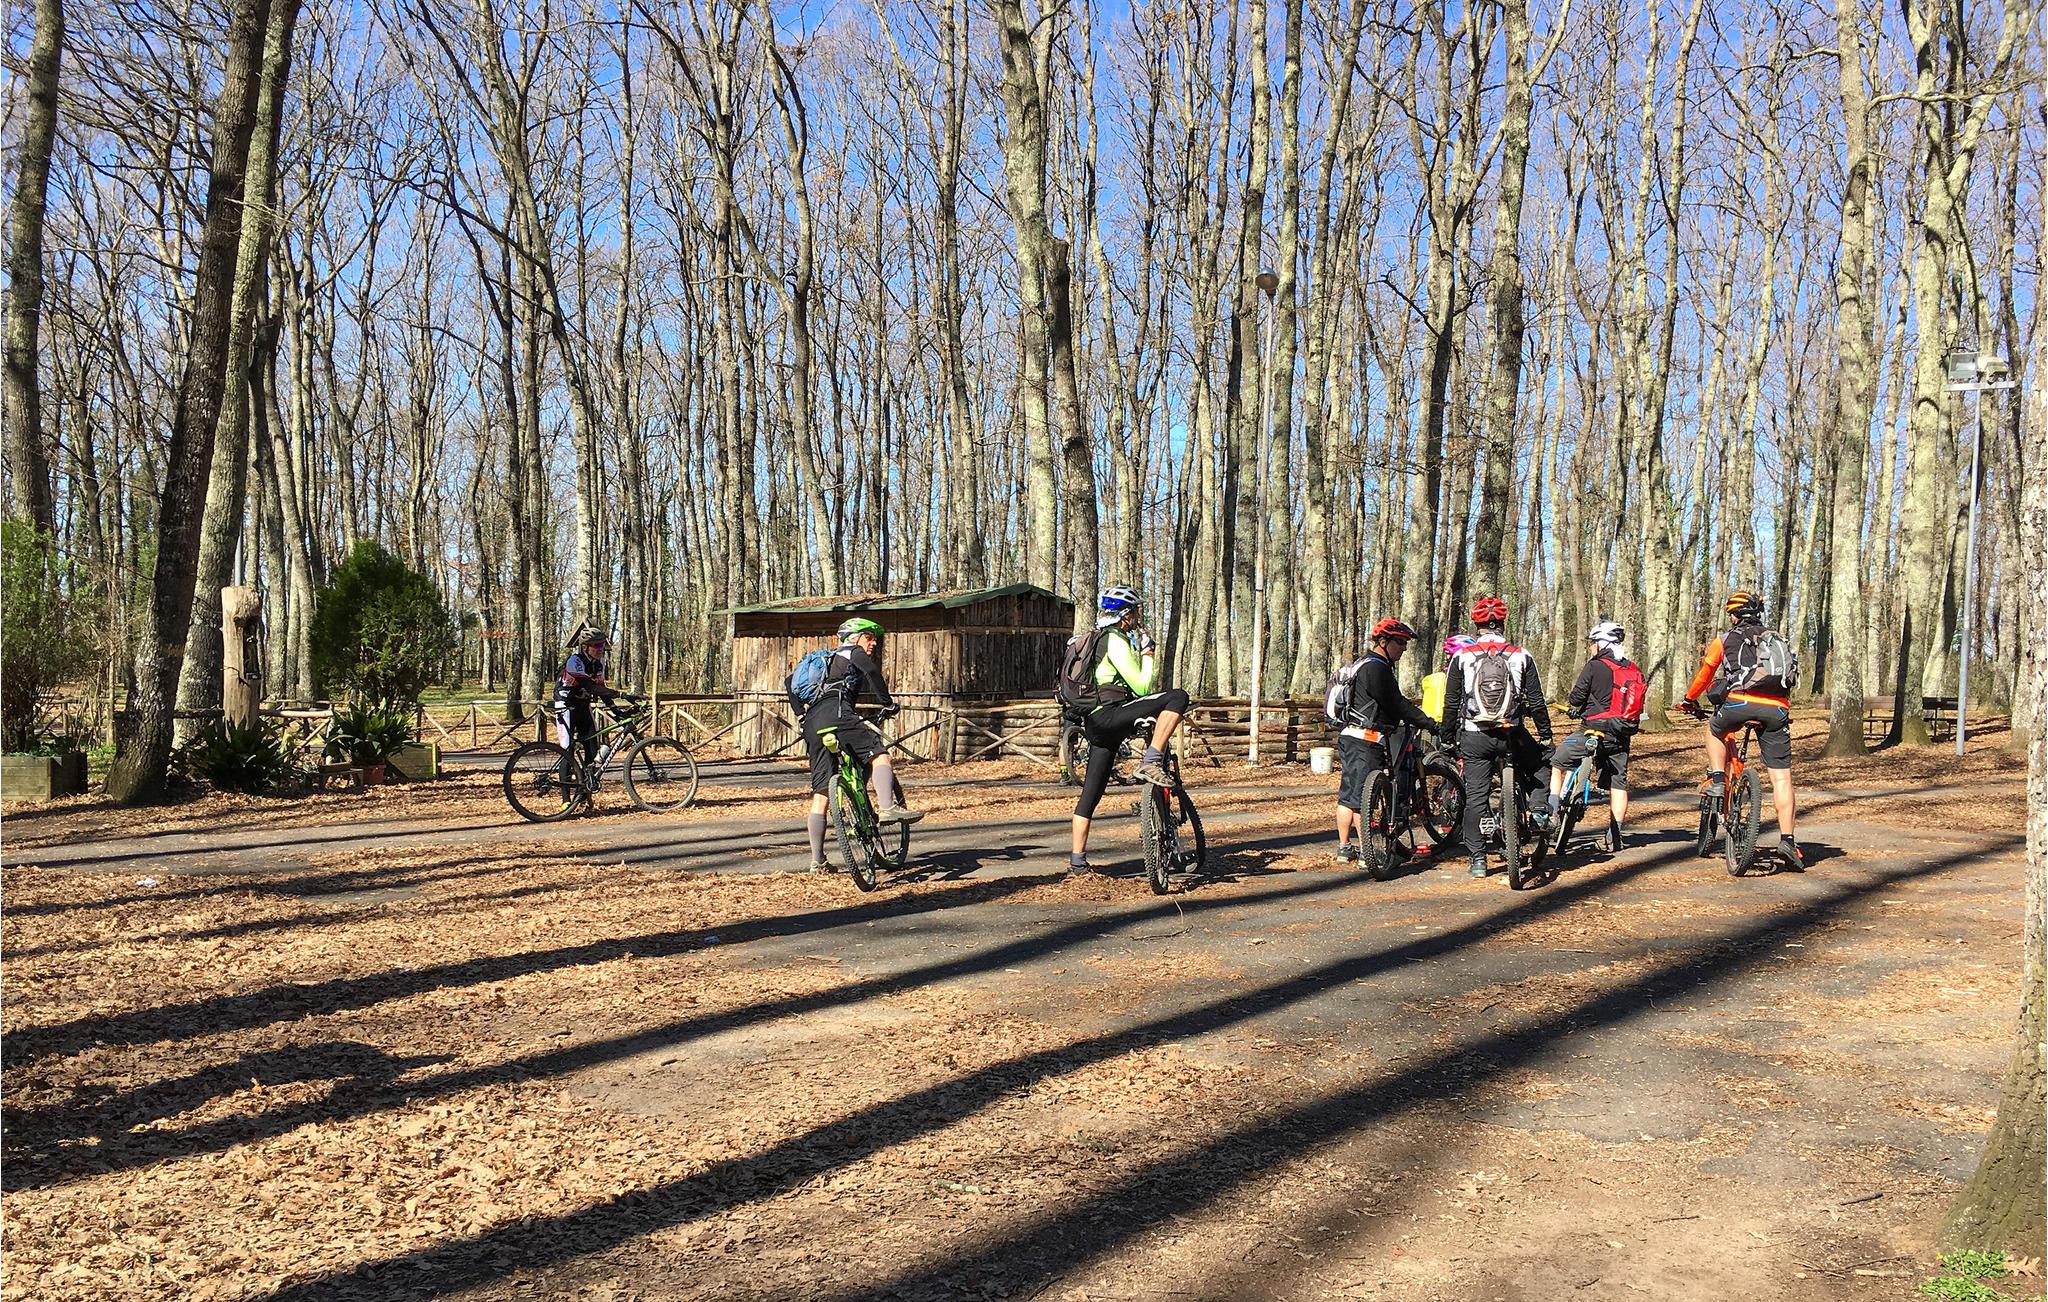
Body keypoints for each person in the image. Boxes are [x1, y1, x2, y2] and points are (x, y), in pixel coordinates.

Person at [1070, 586, 1189, 874]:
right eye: (1134, 611)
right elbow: (1142, 687)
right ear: (1125, 615)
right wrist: (1148, 654)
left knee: (1090, 794)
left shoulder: (1094, 639)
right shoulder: (1114, 640)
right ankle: (1151, 760)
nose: (1137, 616)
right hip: (1111, 715)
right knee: (1177, 697)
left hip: (1095, 723)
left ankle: (1077, 862)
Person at [1681, 591, 1801, 869]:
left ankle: (1718, 778)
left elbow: (1706, 672)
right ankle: (1788, 841)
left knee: (1714, 729)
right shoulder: (1776, 639)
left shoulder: (1725, 639)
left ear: (1734, 616)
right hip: (1777, 709)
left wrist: (1689, 699)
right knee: (1782, 779)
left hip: (1740, 703)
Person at [1439, 595, 1552, 879]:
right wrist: (1546, 735)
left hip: (1475, 735)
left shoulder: (1462, 657)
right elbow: (1537, 701)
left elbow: (1451, 703)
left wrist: (1447, 738)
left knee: (1476, 796)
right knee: (1540, 766)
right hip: (1511, 733)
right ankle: (1539, 810)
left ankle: (1478, 859)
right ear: (1502, 623)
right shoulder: (1521, 655)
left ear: (1476, 626)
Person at [802, 617, 923, 873]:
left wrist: (800, 714)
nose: (873, 643)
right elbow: (872, 672)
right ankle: (887, 808)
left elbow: (790, 682)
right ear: (854, 637)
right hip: (838, 714)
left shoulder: (825, 661)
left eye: (875, 639)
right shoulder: (851, 651)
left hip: (812, 721)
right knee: (880, 756)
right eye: (869, 637)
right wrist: (888, 703)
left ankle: (818, 861)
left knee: (822, 794)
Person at [1330, 618, 1439, 864]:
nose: (1403, 648)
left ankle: (1345, 847)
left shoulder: (1363, 664)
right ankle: (1367, 853)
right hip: (1366, 739)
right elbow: (1396, 704)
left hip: (1353, 736)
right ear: (1383, 642)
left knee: (1350, 795)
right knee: (1364, 798)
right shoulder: (1376, 668)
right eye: (1399, 642)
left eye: (1405, 643)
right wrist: (1428, 723)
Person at [1546, 620, 1641, 853]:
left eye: (1592, 642)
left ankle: (1552, 812)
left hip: (1592, 729)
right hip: (1620, 734)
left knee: (1557, 763)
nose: (1590, 647)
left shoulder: (1595, 666)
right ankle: (1614, 834)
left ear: (1601, 643)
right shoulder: (1633, 668)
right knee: (1618, 782)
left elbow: (1576, 698)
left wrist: (1579, 706)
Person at [552, 628, 618, 777]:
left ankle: (586, 786)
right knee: (567, 751)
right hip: (566, 706)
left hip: (583, 706)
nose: (601, 649)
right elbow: (589, 686)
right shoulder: (574, 661)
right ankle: (565, 791)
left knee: (592, 747)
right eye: (597, 645)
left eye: (602, 645)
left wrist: (615, 709)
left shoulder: (600, 663)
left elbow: (600, 688)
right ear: (585, 647)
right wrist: (620, 694)